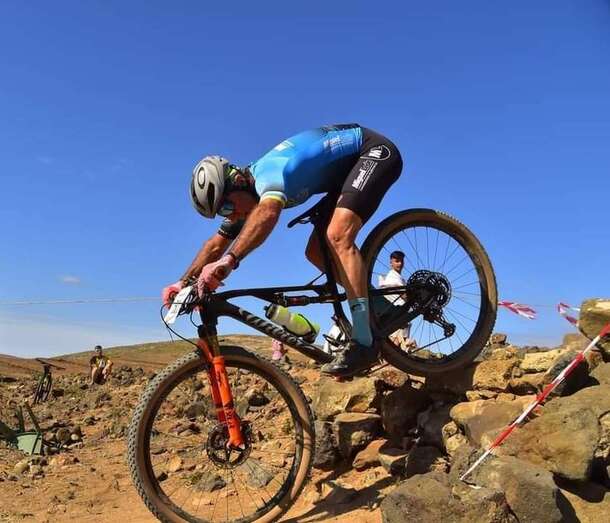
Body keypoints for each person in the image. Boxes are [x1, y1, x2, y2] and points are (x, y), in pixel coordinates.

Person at [163, 124, 403, 377]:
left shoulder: (269, 173)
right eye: (223, 213)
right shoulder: (245, 196)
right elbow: (215, 244)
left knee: (338, 235)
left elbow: (268, 213)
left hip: (373, 151)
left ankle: (364, 342)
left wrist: (230, 260)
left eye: (226, 207)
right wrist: (183, 282)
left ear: (239, 181)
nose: (230, 216)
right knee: (315, 252)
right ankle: (380, 305)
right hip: (343, 175)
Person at [378, 251, 416, 350]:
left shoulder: (400, 278)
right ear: (391, 263)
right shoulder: (393, 277)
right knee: (395, 343)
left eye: (402, 261)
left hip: (398, 316)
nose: (400, 263)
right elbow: (404, 295)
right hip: (395, 315)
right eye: (397, 261)